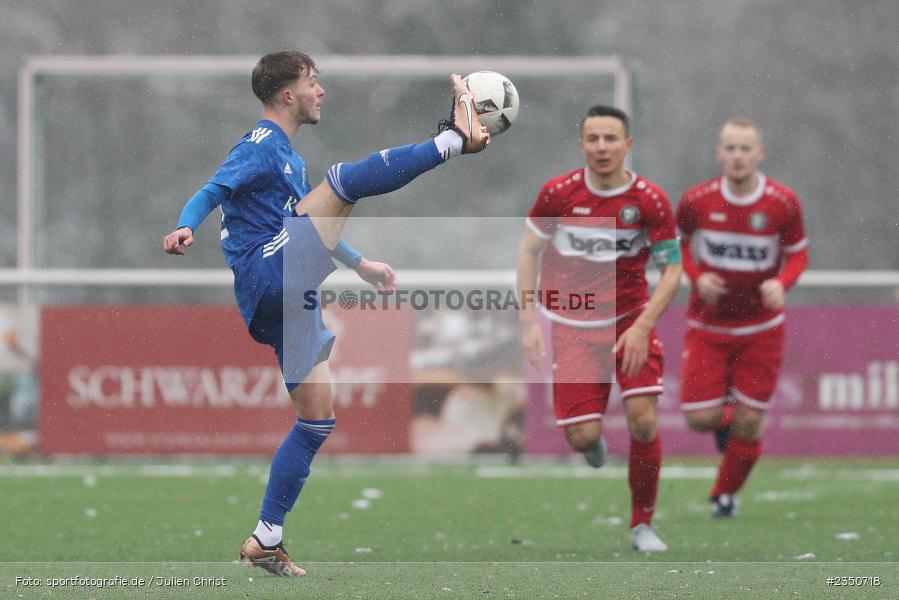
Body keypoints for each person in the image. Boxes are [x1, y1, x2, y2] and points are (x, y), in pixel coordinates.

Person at [163, 51, 489, 576]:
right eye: (313, 82)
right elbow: (213, 190)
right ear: (288, 94)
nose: (321, 91)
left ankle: (266, 537)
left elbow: (312, 226)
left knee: (316, 421)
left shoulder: (289, 160)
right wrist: (185, 224)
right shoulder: (261, 143)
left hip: (286, 299)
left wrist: (361, 265)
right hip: (269, 272)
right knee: (342, 180)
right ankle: (451, 139)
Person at [517, 105, 682, 553]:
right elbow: (528, 251)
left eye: (611, 138)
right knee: (582, 436)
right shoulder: (558, 194)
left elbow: (672, 270)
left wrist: (643, 325)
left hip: (630, 323)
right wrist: (528, 320)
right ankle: (592, 446)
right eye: (593, 139)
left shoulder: (649, 200)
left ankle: (642, 524)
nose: (602, 147)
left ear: (628, 145)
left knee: (643, 420)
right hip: (573, 326)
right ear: (582, 145)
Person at [676, 117, 808, 518]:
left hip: (761, 329)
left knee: (750, 422)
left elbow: (798, 253)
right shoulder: (697, 200)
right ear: (719, 154)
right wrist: (697, 277)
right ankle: (734, 417)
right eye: (730, 148)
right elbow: (676, 244)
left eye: (745, 148)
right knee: (700, 419)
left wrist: (782, 283)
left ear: (759, 153)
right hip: (709, 325)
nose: (737, 156)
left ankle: (724, 494)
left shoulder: (782, 202)